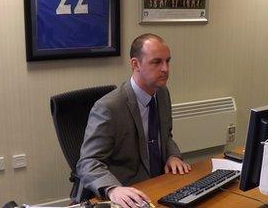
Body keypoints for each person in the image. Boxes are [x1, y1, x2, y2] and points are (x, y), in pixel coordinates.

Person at [76, 33, 191, 207]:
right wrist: (113, 189)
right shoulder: (109, 107)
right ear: (135, 64)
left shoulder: (161, 93)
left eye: (168, 61)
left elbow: (165, 136)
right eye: (157, 62)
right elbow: (88, 162)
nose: (165, 69)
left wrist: (173, 155)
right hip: (130, 190)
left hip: (159, 184)